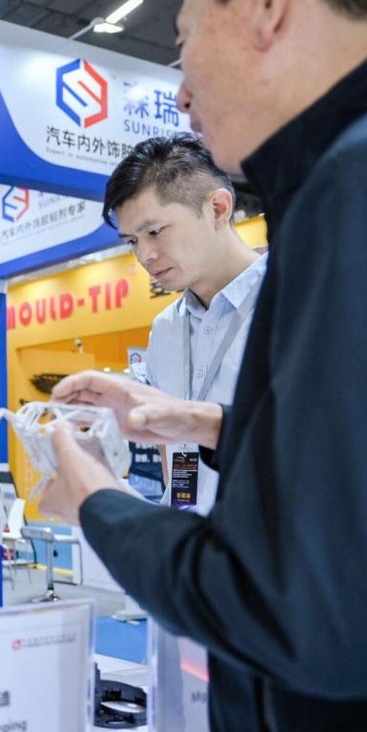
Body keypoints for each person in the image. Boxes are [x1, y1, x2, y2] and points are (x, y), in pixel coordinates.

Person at [42, 0, 367, 732]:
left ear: (266, 8)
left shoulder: (352, 183)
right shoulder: (338, 180)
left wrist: (95, 500)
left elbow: (305, 607)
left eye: (185, 38)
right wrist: (206, 424)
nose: (182, 90)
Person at [104, 133, 266, 514]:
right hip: (192, 539)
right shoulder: (165, 329)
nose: (145, 255)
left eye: (155, 231)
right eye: (132, 241)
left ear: (219, 209)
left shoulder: (293, 302)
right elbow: (175, 456)